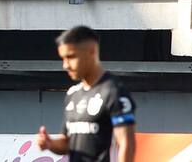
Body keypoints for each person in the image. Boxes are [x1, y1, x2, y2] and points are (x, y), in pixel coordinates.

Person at [37, 26, 136, 162]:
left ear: (92, 51)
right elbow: (67, 143)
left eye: (71, 57)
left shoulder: (113, 91)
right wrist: (50, 144)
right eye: (63, 59)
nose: (65, 65)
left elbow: (126, 143)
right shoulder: (73, 94)